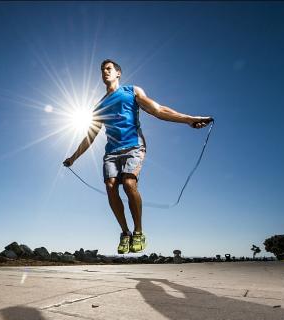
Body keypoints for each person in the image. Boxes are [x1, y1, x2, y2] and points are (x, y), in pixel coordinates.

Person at [63, 59, 212, 254]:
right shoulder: (99, 106)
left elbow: (158, 110)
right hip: (111, 152)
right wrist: (73, 158)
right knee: (110, 186)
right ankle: (125, 233)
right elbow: (90, 136)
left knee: (129, 183)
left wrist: (189, 120)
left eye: (108, 69)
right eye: (102, 70)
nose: (104, 72)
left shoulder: (132, 91)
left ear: (118, 73)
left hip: (133, 146)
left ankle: (138, 232)